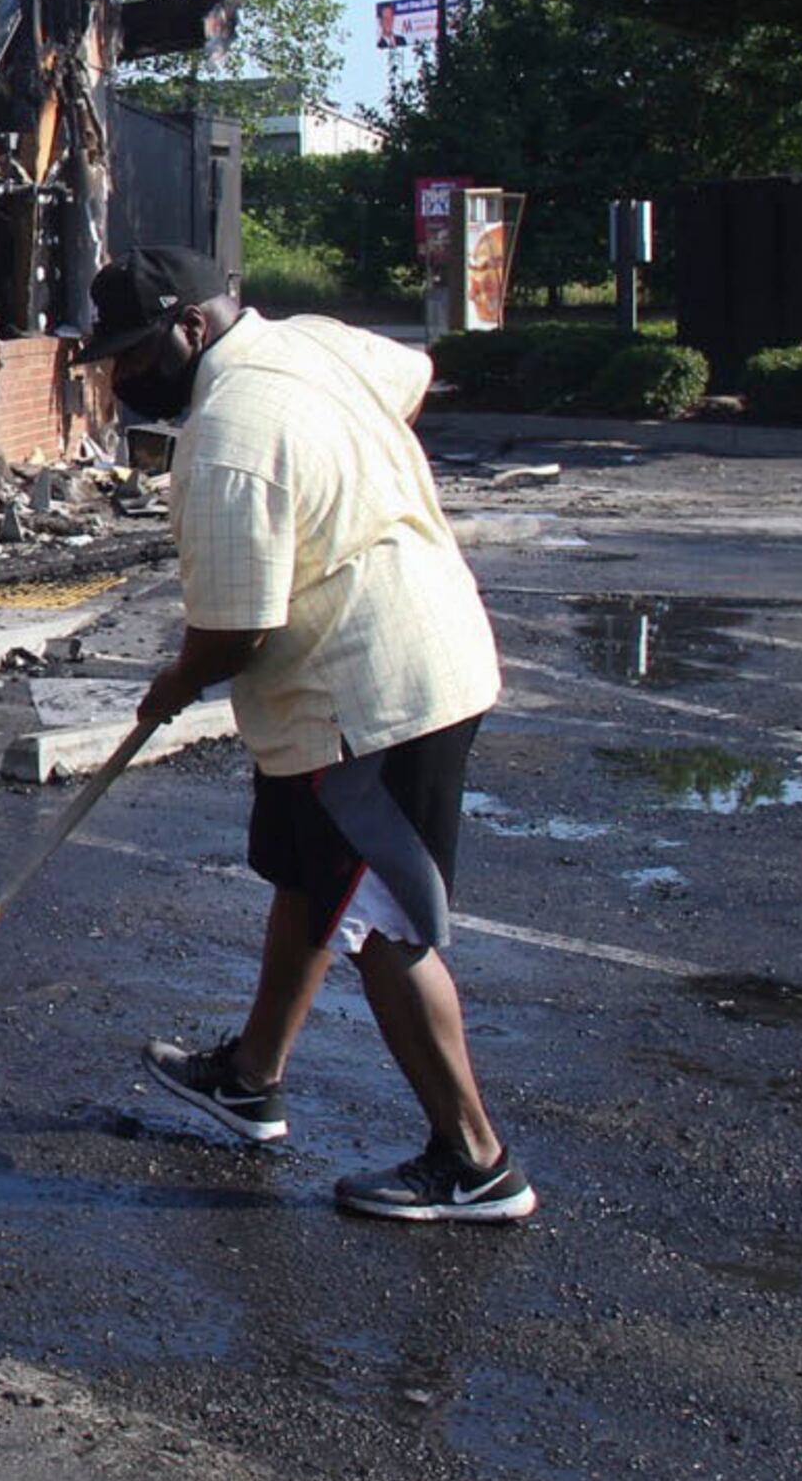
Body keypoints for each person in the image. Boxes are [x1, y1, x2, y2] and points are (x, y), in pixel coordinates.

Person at [81, 245, 539, 1224]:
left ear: (191, 327)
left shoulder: (230, 433)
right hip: (393, 655)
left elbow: (237, 626)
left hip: (370, 699)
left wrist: (172, 683)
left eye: (133, 351)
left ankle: (476, 1161)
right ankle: (252, 1078)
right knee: (309, 876)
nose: (124, 377)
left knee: (382, 922)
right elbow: (409, 376)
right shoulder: (316, 344)